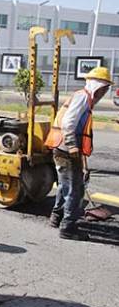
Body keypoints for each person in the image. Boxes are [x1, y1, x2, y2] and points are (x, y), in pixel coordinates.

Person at [45, 66, 113, 241]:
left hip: (63, 149)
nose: (104, 93)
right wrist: (73, 146)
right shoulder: (83, 97)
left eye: (106, 90)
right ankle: (68, 228)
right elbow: (68, 123)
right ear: (96, 85)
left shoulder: (84, 98)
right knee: (75, 190)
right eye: (103, 89)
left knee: (64, 185)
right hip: (66, 149)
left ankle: (56, 217)